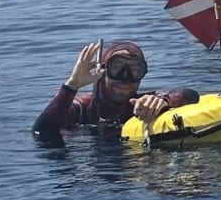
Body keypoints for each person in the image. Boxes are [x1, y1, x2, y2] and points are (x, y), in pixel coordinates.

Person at [33, 40, 200, 139]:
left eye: (134, 70)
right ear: (103, 70)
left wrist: (164, 101)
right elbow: (41, 133)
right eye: (117, 67)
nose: (125, 77)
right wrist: (71, 86)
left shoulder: (143, 104)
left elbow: (190, 94)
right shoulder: (82, 108)